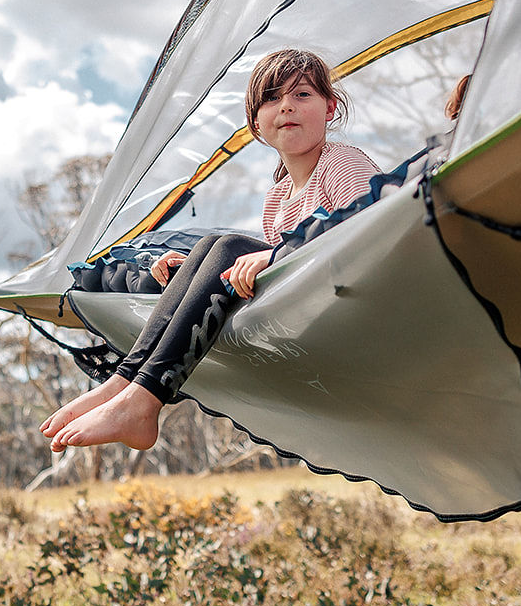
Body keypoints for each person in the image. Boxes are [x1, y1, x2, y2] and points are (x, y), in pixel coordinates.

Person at [41, 48, 379, 454]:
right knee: (211, 250)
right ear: (257, 124)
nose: (287, 106)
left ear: (330, 108)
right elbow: (271, 274)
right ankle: (124, 383)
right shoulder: (277, 199)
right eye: (272, 98)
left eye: (302, 95)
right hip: (307, 313)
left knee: (230, 247)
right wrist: (196, 272)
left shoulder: (341, 163)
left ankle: (141, 400)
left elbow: (368, 229)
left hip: (354, 311)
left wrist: (270, 257)